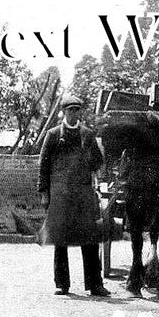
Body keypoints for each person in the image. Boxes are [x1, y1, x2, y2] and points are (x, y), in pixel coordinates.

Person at [39, 95, 111, 297]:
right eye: (70, 110)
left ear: (80, 112)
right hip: (60, 194)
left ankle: (95, 284)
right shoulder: (53, 135)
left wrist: (94, 162)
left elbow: (98, 162)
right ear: (63, 112)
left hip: (83, 194)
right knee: (60, 240)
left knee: (90, 237)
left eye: (77, 110)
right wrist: (44, 193)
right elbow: (43, 166)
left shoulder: (87, 135)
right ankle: (62, 284)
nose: (73, 114)